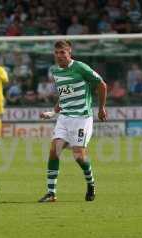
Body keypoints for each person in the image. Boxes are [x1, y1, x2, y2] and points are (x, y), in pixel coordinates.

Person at [38, 40, 107, 203]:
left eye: (63, 52)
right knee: (54, 151)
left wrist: (101, 108)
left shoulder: (81, 68)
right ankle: (51, 193)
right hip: (64, 118)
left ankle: (91, 184)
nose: (59, 56)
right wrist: (53, 112)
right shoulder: (55, 71)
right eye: (57, 53)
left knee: (79, 157)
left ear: (70, 52)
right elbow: (64, 96)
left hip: (82, 118)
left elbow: (102, 85)